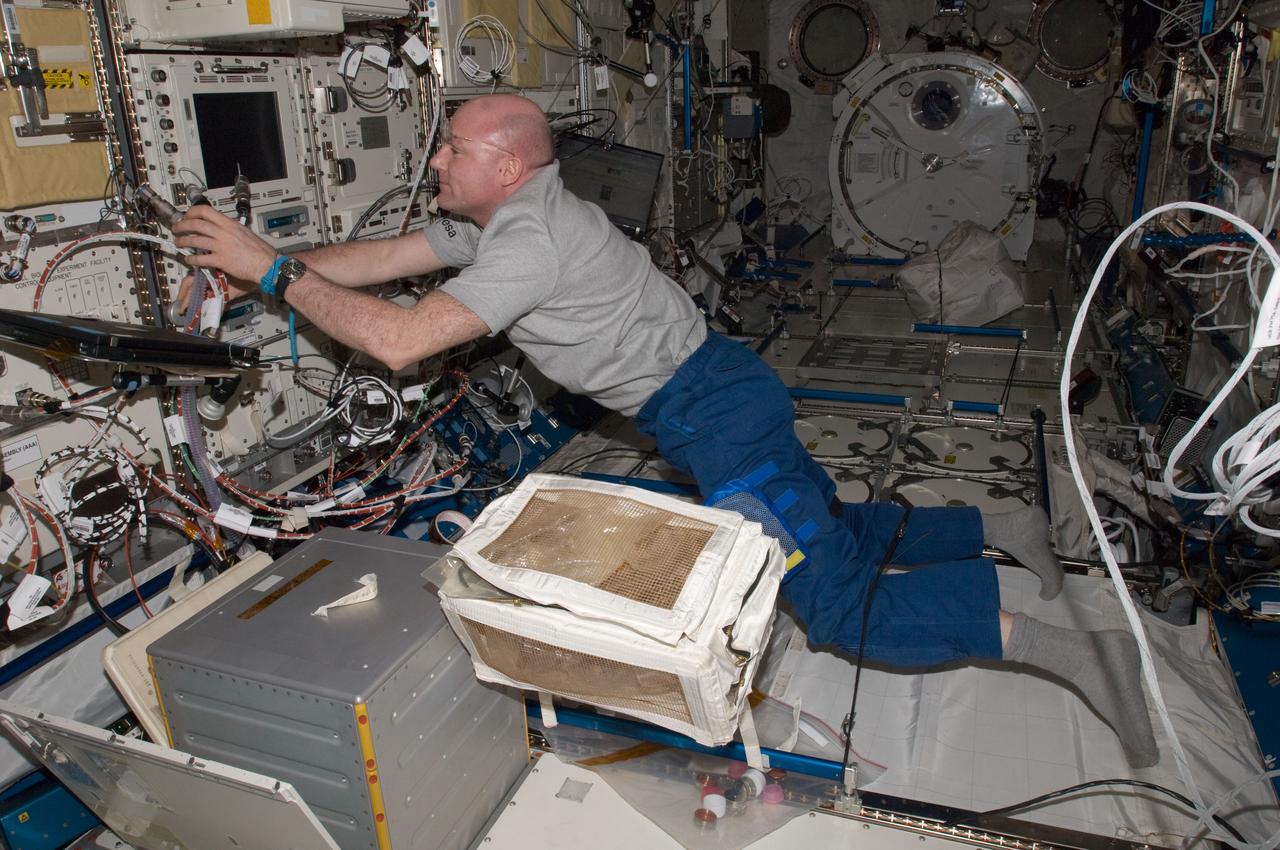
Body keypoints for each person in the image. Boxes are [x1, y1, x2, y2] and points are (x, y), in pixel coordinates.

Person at [173, 93, 1159, 768]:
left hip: (714, 417)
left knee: (835, 607)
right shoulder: (501, 217)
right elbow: (381, 261)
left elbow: (398, 341)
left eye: (452, 148)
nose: (435, 159)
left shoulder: (526, 241)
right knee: (832, 523)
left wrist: (268, 272)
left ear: (505, 163)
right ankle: (1000, 529)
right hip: (721, 391)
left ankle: (1074, 653)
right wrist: (274, 258)